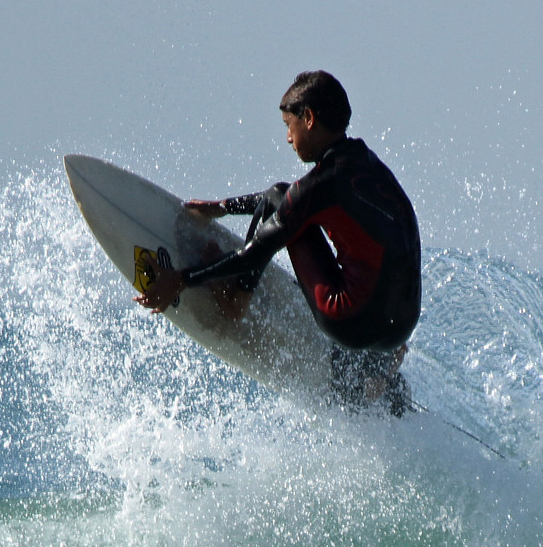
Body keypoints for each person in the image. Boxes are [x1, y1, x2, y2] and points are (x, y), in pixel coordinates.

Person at [134, 71, 420, 414]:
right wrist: (224, 208)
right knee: (289, 204)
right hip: (400, 328)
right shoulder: (367, 165)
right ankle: (375, 379)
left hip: (350, 320)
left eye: (289, 124)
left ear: (309, 119)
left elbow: (257, 248)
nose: (288, 137)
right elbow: (292, 204)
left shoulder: (319, 185)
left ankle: (234, 299)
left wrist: (181, 278)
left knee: (279, 199)